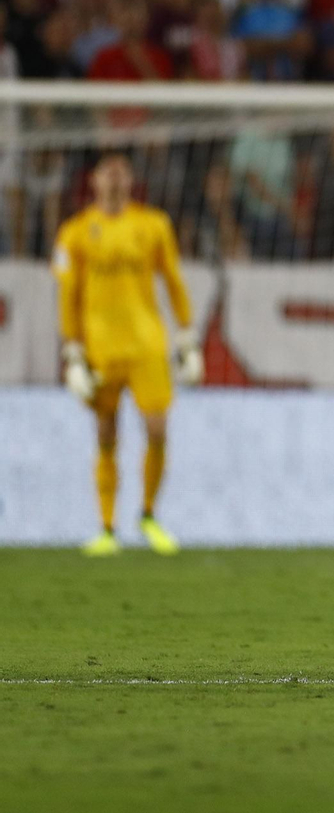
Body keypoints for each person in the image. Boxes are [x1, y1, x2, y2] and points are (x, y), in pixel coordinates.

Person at [54, 151, 203, 556]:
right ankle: (107, 528)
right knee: (106, 433)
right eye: (108, 171)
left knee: (157, 428)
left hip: (146, 346)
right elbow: (68, 297)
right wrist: (72, 352)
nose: (115, 177)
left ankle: (149, 516)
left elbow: (173, 281)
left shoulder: (153, 225)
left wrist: (187, 337)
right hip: (100, 349)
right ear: (94, 180)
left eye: (122, 171)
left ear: (132, 180)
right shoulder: (75, 233)